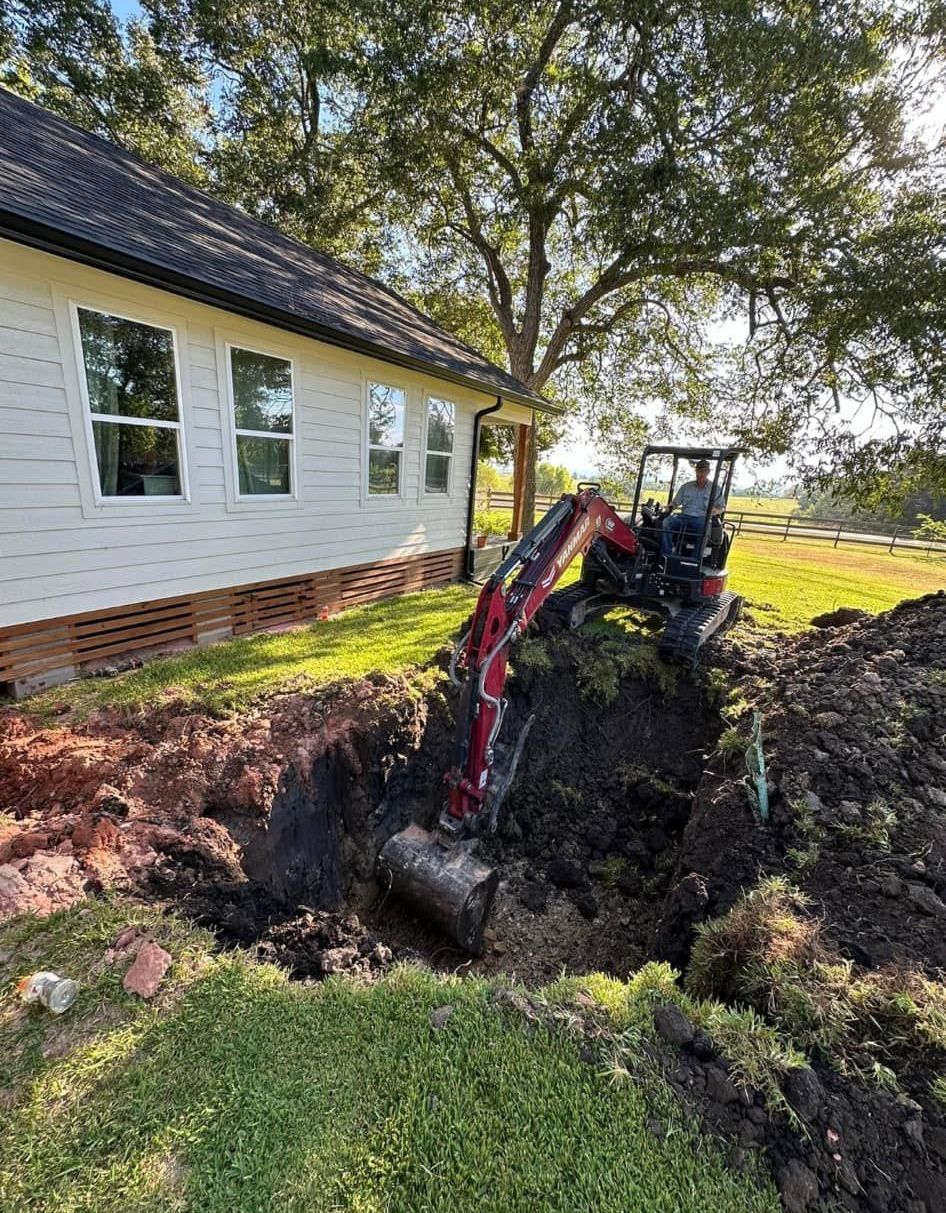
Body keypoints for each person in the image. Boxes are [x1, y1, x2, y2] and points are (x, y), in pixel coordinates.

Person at [661, 459, 725, 557]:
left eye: (703, 471)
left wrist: (716, 511)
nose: (700, 474)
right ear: (696, 471)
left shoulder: (715, 489)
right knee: (667, 522)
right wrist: (670, 507)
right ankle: (666, 555)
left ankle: (694, 560)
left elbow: (722, 507)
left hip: (702, 518)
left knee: (705, 528)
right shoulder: (686, 487)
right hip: (684, 517)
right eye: (699, 471)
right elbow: (675, 502)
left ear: (708, 472)